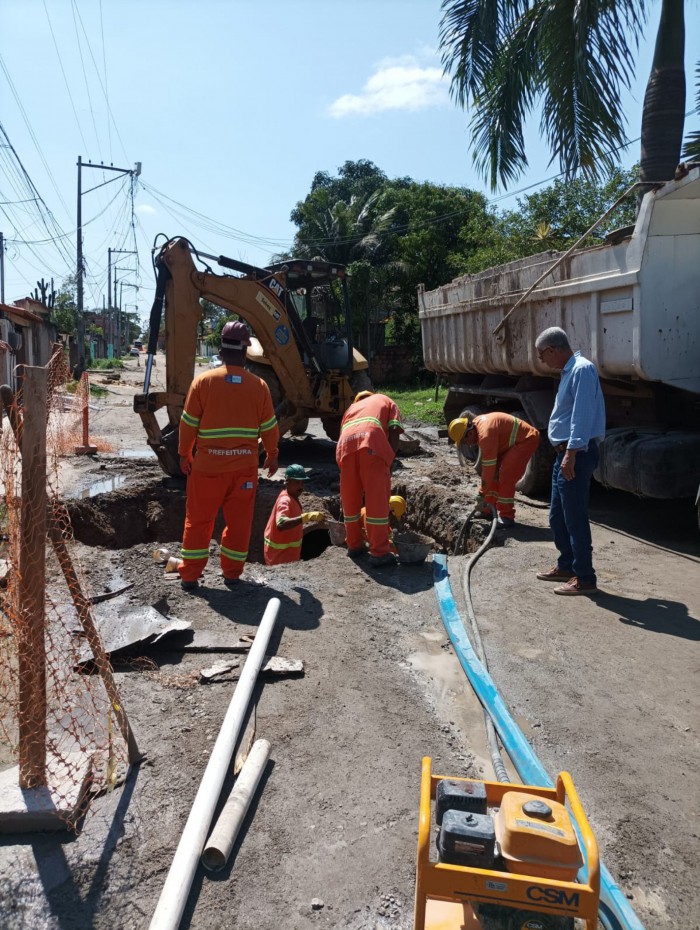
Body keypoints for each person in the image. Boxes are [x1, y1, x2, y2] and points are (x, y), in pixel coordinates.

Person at [177, 320, 279, 590]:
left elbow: (188, 424)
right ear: (246, 352)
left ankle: (190, 576)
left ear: (221, 351)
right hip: (244, 470)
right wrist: (272, 454)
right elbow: (270, 427)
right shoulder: (259, 386)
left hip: (207, 469)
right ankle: (232, 574)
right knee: (239, 524)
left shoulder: (203, 382)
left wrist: (184, 453)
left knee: (199, 521)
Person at [534, 326, 605, 596]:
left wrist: (571, 454)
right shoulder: (569, 371)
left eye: (542, 354)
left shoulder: (582, 370)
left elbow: (581, 416)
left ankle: (585, 577)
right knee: (558, 515)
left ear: (552, 350)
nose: (541, 360)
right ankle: (566, 565)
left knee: (574, 517)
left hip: (575, 454)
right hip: (563, 454)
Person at [336, 390, 404, 567]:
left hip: (345, 447)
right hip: (372, 443)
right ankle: (379, 553)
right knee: (376, 501)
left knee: (350, 499)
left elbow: (343, 433)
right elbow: (394, 430)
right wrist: (389, 460)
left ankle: (354, 545)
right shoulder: (385, 400)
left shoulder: (351, 408)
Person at [448, 412, 540, 527]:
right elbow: (491, 471)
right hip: (510, 444)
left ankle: (506, 516)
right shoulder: (478, 426)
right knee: (495, 473)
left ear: (470, 433)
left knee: (506, 475)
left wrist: (481, 494)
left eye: (464, 441)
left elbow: (488, 469)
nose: (468, 445)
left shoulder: (486, 435)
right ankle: (488, 509)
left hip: (525, 440)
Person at [263, 464, 326, 565]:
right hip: (279, 558)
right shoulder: (285, 501)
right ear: (287, 482)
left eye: (302, 482)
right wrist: (306, 517)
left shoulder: (292, 497)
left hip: (287, 555)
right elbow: (281, 524)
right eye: (297, 482)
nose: (301, 486)